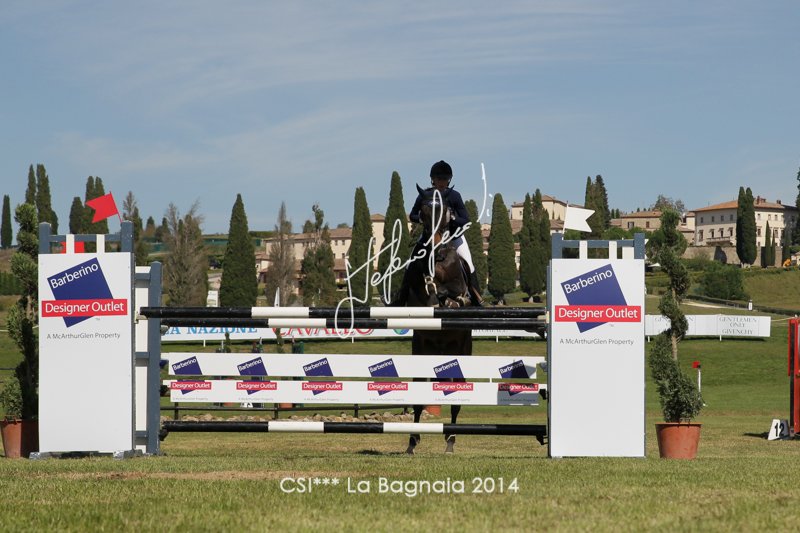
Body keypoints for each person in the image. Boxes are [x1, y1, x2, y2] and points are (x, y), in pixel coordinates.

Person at [390, 160, 483, 306]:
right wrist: (421, 218)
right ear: (433, 179)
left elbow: (465, 219)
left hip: (454, 236)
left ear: (449, 180)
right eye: (439, 179)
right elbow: (412, 215)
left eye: (445, 179)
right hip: (428, 237)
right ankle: (400, 299)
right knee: (409, 264)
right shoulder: (425, 195)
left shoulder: (454, 196)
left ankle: (476, 298)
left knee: (469, 264)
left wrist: (452, 219)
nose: (442, 182)